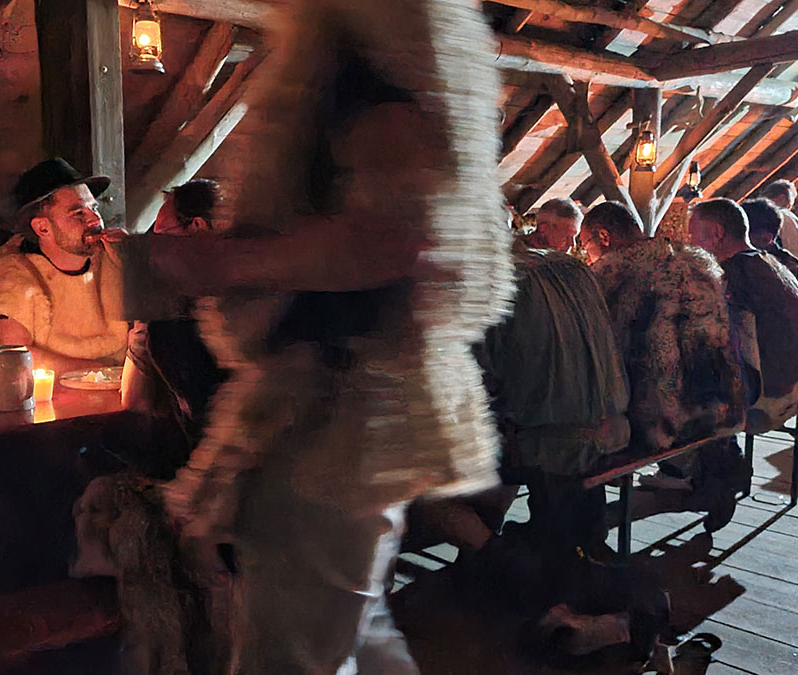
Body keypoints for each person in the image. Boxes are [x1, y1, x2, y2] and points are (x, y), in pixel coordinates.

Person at [136, 1, 516, 671]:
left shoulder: (376, 36)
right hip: (345, 402)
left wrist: (217, 264)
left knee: (293, 654)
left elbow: (396, 237)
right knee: (349, 632)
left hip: (336, 412)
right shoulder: (406, 38)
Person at [584, 201, 746, 531]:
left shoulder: (612, 275)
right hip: (720, 406)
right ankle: (701, 480)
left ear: (603, 237)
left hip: (663, 422)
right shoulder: (697, 263)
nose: (587, 255)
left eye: (585, 245)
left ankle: (586, 526)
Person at [479, 206, 630, 558]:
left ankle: (490, 551)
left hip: (549, 441)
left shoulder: (494, 280)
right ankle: (576, 545)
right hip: (612, 426)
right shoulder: (574, 267)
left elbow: (481, 377)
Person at [0, 159, 128, 374]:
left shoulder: (115, 262)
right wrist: (106, 373)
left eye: (94, 208)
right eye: (78, 213)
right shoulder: (11, 279)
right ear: (43, 228)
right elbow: (14, 360)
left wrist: (135, 264)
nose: (95, 220)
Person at [692, 198, 798, 434]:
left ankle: (705, 454)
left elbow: (714, 337)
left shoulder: (736, 273)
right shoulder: (770, 262)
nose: (691, 244)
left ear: (717, 233)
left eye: (694, 236)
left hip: (772, 395)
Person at [120, 180, 226, 476]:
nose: (156, 249)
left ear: (197, 227)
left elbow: (134, 403)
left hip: (208, 468)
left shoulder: (177, 323)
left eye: (162, 235)